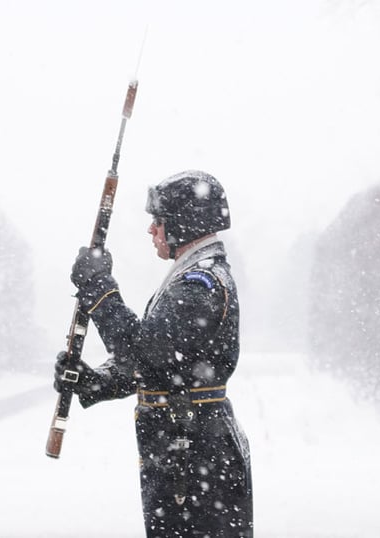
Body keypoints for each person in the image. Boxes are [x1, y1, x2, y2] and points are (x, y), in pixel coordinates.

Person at [54, 170, 253, 537]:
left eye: (158, 221)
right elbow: (165, 367)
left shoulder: (200, 283)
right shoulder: (192, 274)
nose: (152, 230)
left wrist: (100, 291)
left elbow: (151, 353)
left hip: (194, 458)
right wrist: (96, 382)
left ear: (183, 224)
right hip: (190, 453)